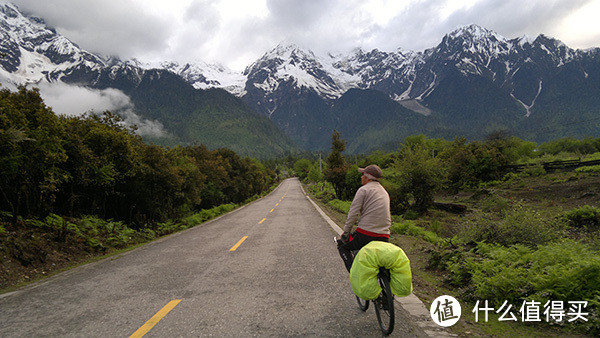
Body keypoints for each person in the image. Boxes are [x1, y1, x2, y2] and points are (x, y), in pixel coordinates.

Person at [337, 164, 391, 272]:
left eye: (362, 175)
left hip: (366, 234)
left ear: (367, 177)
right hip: (385, 236)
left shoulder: (363, 190)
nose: (361, 177)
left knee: (342, 246)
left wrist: (346, 232)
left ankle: (355, 274)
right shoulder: (384, 192)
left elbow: (353, 213)